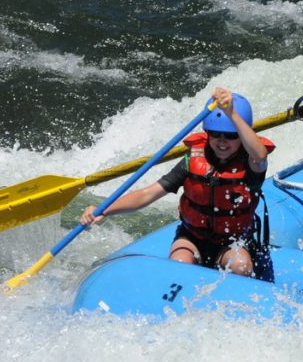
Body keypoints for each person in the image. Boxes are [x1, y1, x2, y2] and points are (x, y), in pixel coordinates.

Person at [81, 87, 275, 281]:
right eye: (216, 134)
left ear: (242, 134)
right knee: (179, 265)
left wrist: (231, 113)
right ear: (207, 133)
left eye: (231, 135)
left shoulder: (251, 165)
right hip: (193, 238)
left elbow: (260, 154)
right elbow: (148, 194)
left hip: (233, 242)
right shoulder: (192, 160)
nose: (222, 142)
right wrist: (104, 209)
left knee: (241, 267)